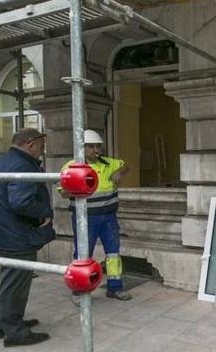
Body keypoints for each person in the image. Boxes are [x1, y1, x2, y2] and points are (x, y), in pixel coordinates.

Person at [0, 128, 55, 347]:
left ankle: (3, 324)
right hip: (16, 236)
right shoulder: (22, 165)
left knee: (9, 282)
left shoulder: (0, 162)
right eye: (41, 147)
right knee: (16, 284)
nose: (42, 151)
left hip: (0, 232)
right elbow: (21, 202)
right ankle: (15, 332)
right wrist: (45, 212)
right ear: (30, 144)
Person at [59, 129, 131, 304]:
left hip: (108, 217)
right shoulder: (72, 166)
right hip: (85, 219)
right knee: (83, 256)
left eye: (98, 146)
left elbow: (125, 165)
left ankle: (114, 287)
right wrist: (74, 188)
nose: (95, 150)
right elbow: (62, 193)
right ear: (81, 148)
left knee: (113, 254)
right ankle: (78, 291)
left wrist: (119, 173)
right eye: (90, 146)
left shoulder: (108, 163)